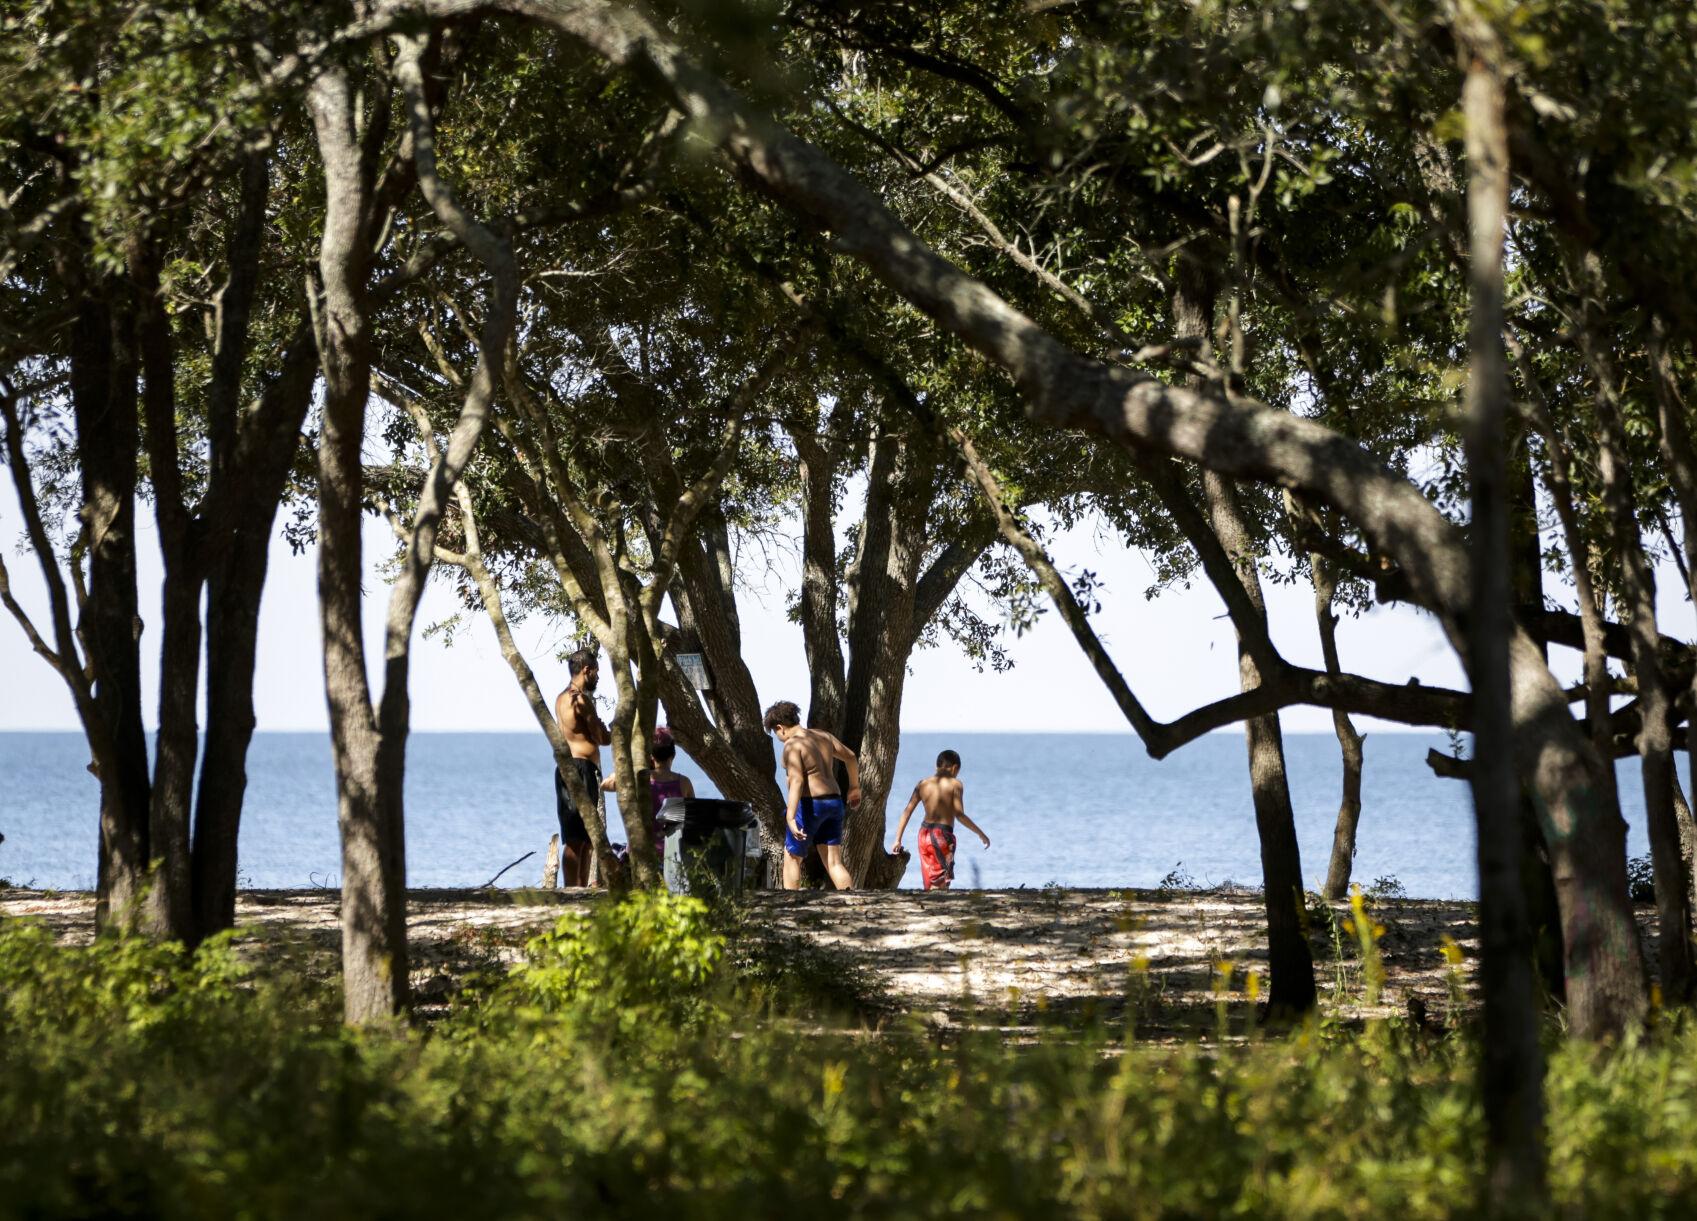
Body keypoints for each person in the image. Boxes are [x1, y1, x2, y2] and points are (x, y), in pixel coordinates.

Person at [762, 700, 860, 890]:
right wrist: (854, 787)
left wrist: (790, 816)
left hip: (810, 805)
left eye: (776, 733)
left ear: (780, 728)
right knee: (834, 862)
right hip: (834, 802)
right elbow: (851, 757)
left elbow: (797, 781)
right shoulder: (823, 736)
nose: (779, 738)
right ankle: (852, 905)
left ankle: (791, 908)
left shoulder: (792, 745)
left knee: (792, 857)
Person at [890, 749, 989, 891]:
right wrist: (980, 833)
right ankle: (939, 909)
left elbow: (907, 812)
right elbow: (959, 814)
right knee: (942, 884)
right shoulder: (956, 784)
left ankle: (930, 909)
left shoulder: (922, 784)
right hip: (942, 836)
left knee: (929, 882)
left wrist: (897, 839)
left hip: (923, 835)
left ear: (936, 766)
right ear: (955, 768)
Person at [554, 647, 610, 887]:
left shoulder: (560, 698)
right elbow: (601, 738)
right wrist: (613, 730)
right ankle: (571, 889)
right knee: (577, 838)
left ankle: (580, 888)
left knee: (586, 837)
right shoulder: (580, 700)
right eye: (596, 672)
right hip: (580, 769)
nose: (598, 677)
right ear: (587, 670)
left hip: (573, 768)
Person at [602, 725, 695, 856]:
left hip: (640, 852)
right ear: (673, 754)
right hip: (673, 853)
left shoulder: (640, 779)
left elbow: (604, 785)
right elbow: (694, 820)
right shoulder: (684, 783)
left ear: (651, 756)